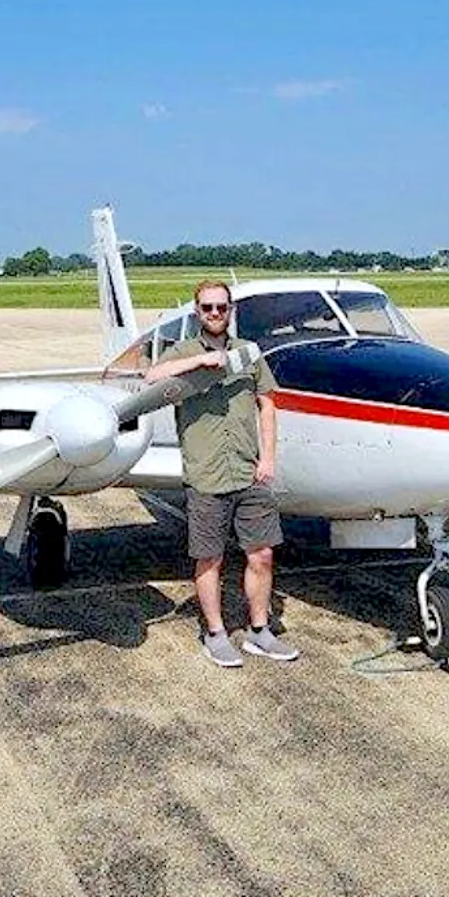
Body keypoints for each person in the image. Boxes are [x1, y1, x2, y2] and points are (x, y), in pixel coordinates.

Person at [143, 280, 299, 667]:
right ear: (198, 312)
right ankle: (215, 633)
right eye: (208, 308)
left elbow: (267, 405)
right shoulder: (182, 351)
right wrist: (198, 363)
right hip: (206, 475)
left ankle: (260, 631)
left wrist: (268, 460)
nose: (215, 313)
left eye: (222, 307)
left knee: (261, 554)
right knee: (209, 559)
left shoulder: (248, 353)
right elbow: (151, 378)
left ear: (231, 311)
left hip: (248, 472)